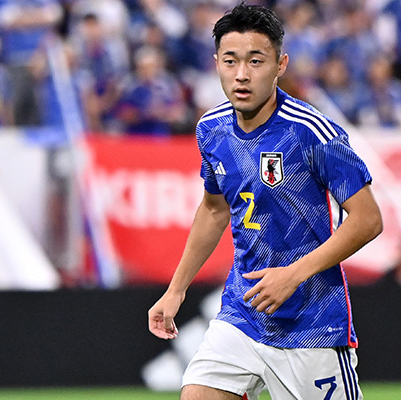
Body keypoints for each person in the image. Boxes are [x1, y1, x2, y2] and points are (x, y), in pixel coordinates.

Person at [148, 3, 383, 400]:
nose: (241, 74)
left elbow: (368, 219)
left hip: (311, 324)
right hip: (243, 313)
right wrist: (176, 290)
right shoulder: (212, 130)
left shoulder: (311, 132)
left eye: (256, 61)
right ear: (216, 64)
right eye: (230, 61)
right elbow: (214, 209)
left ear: (280, 65)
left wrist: (292, 275)